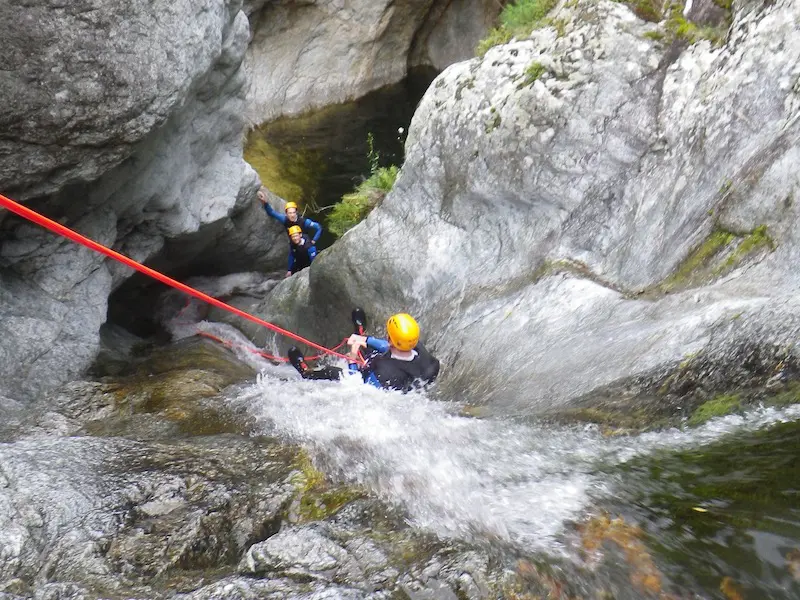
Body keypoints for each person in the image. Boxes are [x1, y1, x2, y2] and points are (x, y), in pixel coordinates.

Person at [288, 309, 440, 393]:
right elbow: (390, 347)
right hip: (403, 377)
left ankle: (305, 372)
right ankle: (360, 334)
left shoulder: (383, 371)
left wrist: (352, 358)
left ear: (389, 338)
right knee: (372, 350)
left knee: (330, 371)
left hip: (378, 386)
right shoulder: (418, 348)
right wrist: (366, 341)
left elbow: (357, 383)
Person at [258, 189, 322, 276]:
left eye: (293, 213)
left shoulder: (304, 222)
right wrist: (265, 202)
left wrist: (314, 240)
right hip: (295, 244)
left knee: (306, 255)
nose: (292, 215)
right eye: (289, 213)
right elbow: (272, 213)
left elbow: (318, 227)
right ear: (286, 214)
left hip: (304, 243)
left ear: (296, 212)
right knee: (295, 256)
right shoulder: (285, 220)